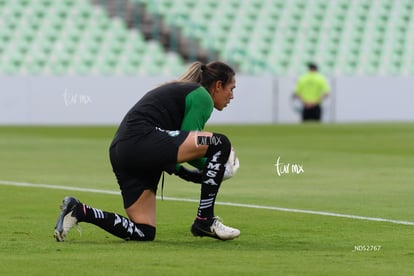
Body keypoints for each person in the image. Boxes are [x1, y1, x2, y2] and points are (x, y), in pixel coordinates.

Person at [53, 61, 241, 242]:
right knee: (220, 143)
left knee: (144, 231)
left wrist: (201, 173)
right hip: (141, 139)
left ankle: (79, 211)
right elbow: (192, 138)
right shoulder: (202, 96)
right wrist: (217, 167)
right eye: (231, 89)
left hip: (123, 150)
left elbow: (176, 151)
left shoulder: (184, 92)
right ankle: (205, 220)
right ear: (218, 85)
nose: (232, 96)